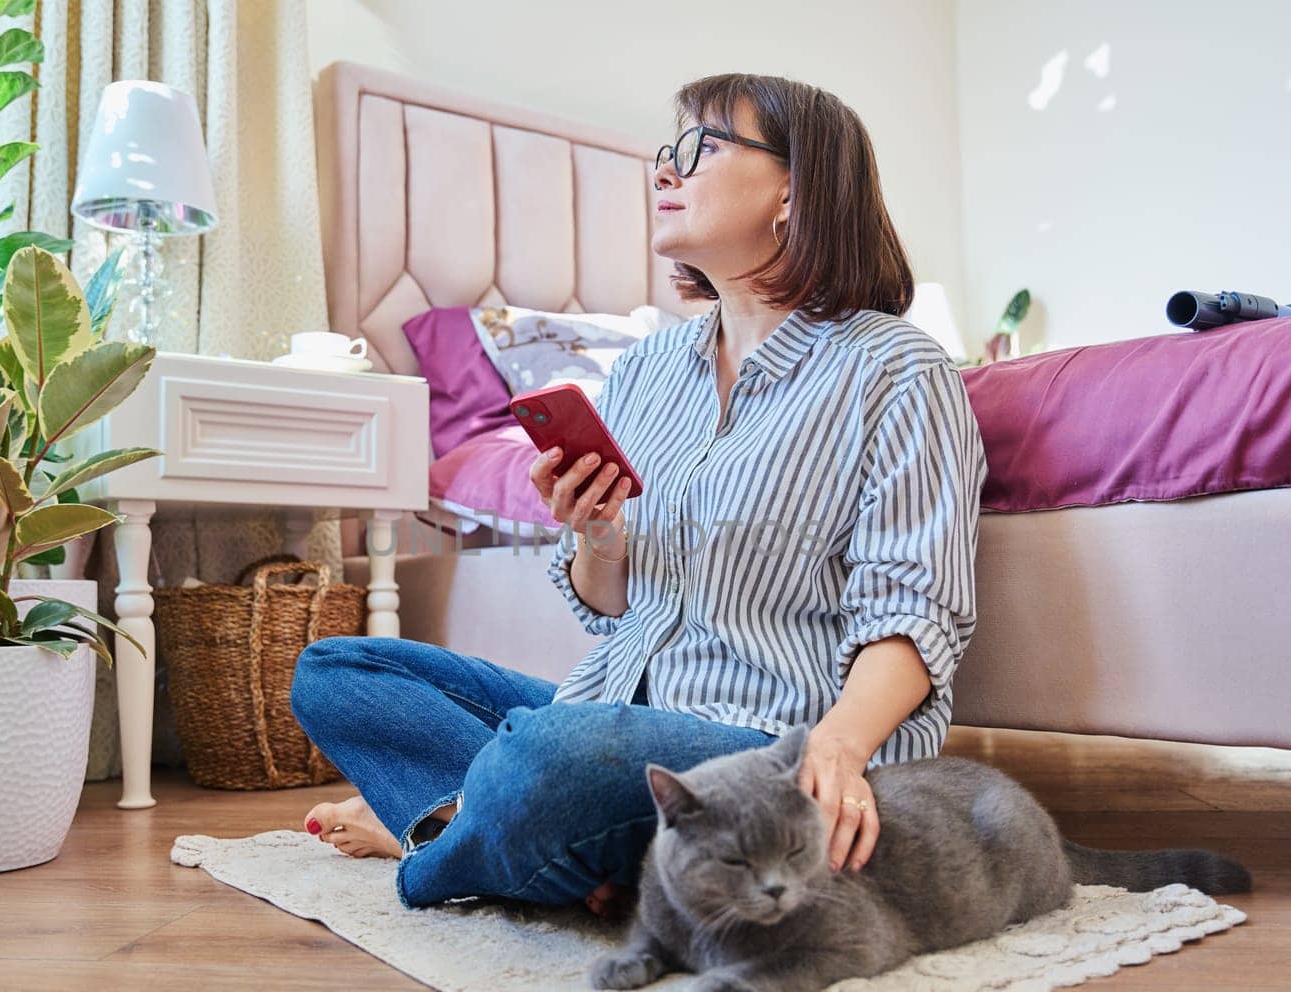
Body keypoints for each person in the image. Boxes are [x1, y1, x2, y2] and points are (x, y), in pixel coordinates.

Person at [290, 72, 988, 918]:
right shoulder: (646, 371)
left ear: (793, 189)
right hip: (612, 715)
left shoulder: (895, 368)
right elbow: (606, 609)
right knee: (336, 670)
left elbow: (915, 608)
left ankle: (441, 837)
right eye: (668, 152)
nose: (664, 171)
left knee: (545, 759)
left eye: (700, 149)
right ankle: (536, 838)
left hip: (766, 747)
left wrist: (839, 747)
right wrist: (599, 536)